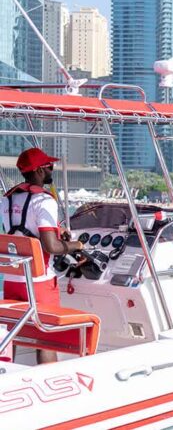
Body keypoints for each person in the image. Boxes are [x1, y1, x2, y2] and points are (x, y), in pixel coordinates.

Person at [1, 148, 84, 364]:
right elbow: (52, 247)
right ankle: (50, 384)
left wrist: (57, 231)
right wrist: (76, 244)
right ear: (39, 170)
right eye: (49, 166)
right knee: (46, 338)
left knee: (18, 333)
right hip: (40, 282)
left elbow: (21, 232)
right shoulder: (44, 201)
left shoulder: (7, 200)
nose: (51, 169)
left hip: (13, 280)